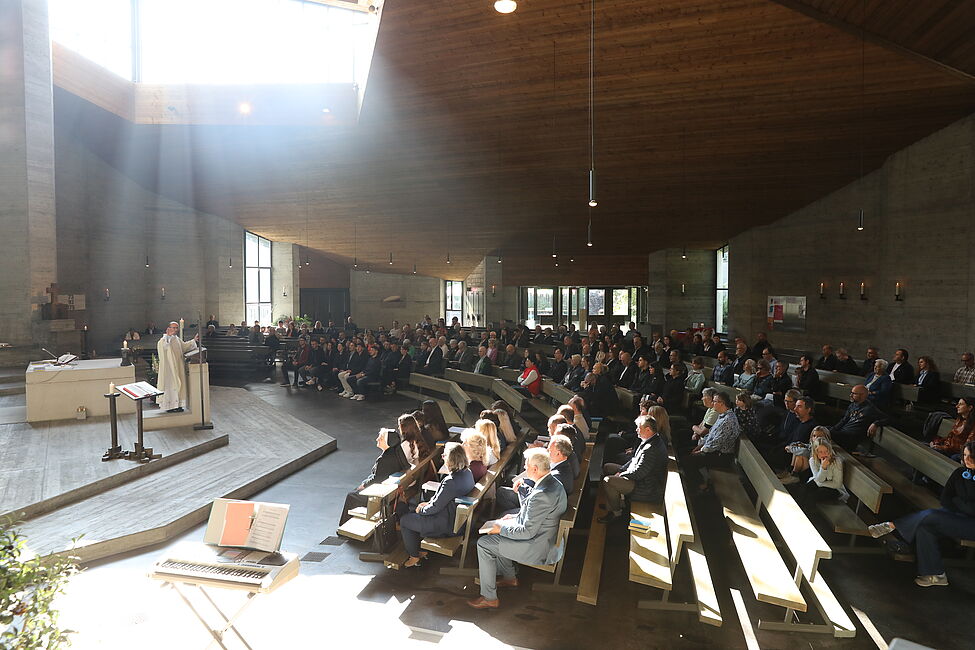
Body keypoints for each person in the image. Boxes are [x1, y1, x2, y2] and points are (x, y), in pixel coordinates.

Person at [468, 448, 568, 609]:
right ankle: (509, 578)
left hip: (538, 547)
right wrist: (514, 518)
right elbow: (537, 514)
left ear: (535, 469)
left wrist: (500, 529)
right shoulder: (553, 483)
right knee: (502, 526)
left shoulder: (542, 494)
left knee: (485, 544)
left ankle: (489, 597)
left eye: (526, 466)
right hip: (546, 537)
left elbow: (527, 531)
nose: (524, 469)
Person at [868, 441, 975, 587]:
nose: (967, 459)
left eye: (971, 456)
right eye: (965, 455)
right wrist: (962, 504)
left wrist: (958, 502)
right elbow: (946, 498)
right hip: (954, 516)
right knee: (925, 526)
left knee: (931, 515)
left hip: (971, 525)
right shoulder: (959, 473)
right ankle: (937, 575)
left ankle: (893, 525)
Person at [399, 442, 475, 568]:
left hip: (447, 526)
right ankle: (420, 550)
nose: (442, 457)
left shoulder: (451, 481)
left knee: (405, 520)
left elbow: (434, 508)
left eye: (444, 455)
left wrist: (421, 510)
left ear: (451, 459)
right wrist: (427, 504)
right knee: (418, 508)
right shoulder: (467, 473)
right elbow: (441, 501)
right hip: (459, 521)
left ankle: (414, 556)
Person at [598, 415, 668, 524]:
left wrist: (621, 475)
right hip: (639, 478)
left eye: (639, 428)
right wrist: (621, 470)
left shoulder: (651, 449)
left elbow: (638, 473)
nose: (636, 430)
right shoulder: (649, 440)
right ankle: (612, 504)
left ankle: (616, 513)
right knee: (607, 467)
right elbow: (634, 460)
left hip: (645, 486)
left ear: (648, 429)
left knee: (608, 481)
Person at [340, 426, 409, 525]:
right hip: (391, 493)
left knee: (351, 496)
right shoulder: (397, 454)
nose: (377, 439)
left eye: (380, 438)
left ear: (388, 442)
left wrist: (363, 485)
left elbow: (376, 480)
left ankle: (344, 525)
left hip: (380, 497)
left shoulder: (384, 460)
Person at [497, 434, 574, 513]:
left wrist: (523, 486)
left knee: (501, 492)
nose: (547, 450)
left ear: (558, 453)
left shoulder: (557, 475)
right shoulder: (561, 464)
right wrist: (524, 480)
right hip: (541, 500)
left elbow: (538, 494)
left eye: (550, 449)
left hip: (538, 509)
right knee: (510, 479)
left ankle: (516, 512)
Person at [684, 392, 740, 490]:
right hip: (713, 451)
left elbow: (716, 444)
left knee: (688, 461)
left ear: (721, 403)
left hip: (722, 456)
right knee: (684, 452)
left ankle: (700, 486)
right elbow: (710, 436)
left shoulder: (728, 420)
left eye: (714, 401)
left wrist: (700, 451)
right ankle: (697, 484)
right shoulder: (722, 415)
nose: (712, 403)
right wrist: (699, 447)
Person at [155, 321, 199, 412]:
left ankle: (177, 405)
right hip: (169, 370)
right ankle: (169, 406)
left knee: (178, 386)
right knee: (170, 387)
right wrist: (168, 337)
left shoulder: (177, 339)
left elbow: (184, 347)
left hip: (178, 367)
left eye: (176, 328)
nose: (175, 330)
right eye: (173, 327)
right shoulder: (163, 340)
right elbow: (164, 348)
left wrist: (193, 340)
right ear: (169, 328)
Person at [829, 385, 886, 453]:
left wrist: (875, 424)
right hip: (843, 433)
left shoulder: (870, 409)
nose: (851, 395)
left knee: (823, 434)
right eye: (851, 392)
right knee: (820, 429)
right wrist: (833, 429)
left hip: (851, 438)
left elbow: (888, 419)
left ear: (863, 395)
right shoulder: (852, 405)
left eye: (854, 393)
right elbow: (844, 421)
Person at [794, 438, 848, 507]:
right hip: (819, 482)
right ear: (816, 452)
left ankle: (809, 515)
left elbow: (837, 484)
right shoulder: (813, 460)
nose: (824, 454)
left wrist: (823, 469)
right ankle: (797, 510)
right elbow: (819, 479)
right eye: (820, 452)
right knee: (803, 489)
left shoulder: (837, 462)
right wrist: (823, 468)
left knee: (812, 496)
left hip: (835, 489)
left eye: (826, 451)